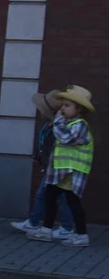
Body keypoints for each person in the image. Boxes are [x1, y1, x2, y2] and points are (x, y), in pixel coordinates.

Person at [26, 86, 95, 247]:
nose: (62, 108)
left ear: (79, 109)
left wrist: (57, 120)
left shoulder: (80, 125)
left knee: (73, 201)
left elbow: (64, 138)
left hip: (73, 170)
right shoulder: (69, 122)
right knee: (50, 196)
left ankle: (81, 235)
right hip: (62, 170)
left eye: (67, 106)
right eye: (62, 105)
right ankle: (46, 230)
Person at [11, 90, 75, 238]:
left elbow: (55, 147)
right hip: (50, 167)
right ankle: (39, 223)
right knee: (50, 196)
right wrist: (38, 157)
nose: (38, 110)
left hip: (56, 167)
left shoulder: (57, 128)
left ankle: (63, 226)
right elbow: (43, 144)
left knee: (55, 197)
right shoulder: (49, 125)